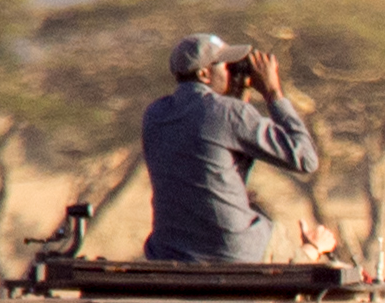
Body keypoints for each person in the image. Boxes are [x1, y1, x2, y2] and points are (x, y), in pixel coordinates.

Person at [140, 33, 338, 263]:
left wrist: (236, 99)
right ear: (204, 74)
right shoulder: (229, 113)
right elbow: (306, 159)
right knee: (309, 245)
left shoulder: (154, 115)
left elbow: (222, 174)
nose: (232, 71)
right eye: (226, 65)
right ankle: (312, 249)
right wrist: (273, 93)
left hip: (169, 252)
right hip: (235, 251)